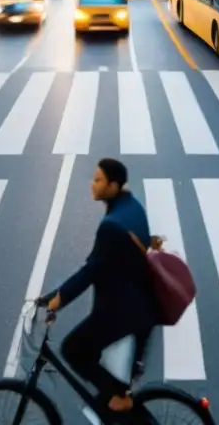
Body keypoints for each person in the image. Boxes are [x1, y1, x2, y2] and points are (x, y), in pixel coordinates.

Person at [44, 158, 160, 414]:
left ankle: (120, 398)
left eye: (98, 180)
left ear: (113, 185)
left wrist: (58, 300)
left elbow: (91, 271)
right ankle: (115, 399)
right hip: (141, 303)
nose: (92, 184)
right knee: (96, 369)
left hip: (126, 311)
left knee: (73, 350)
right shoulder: (131, 205)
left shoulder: (111, 226)